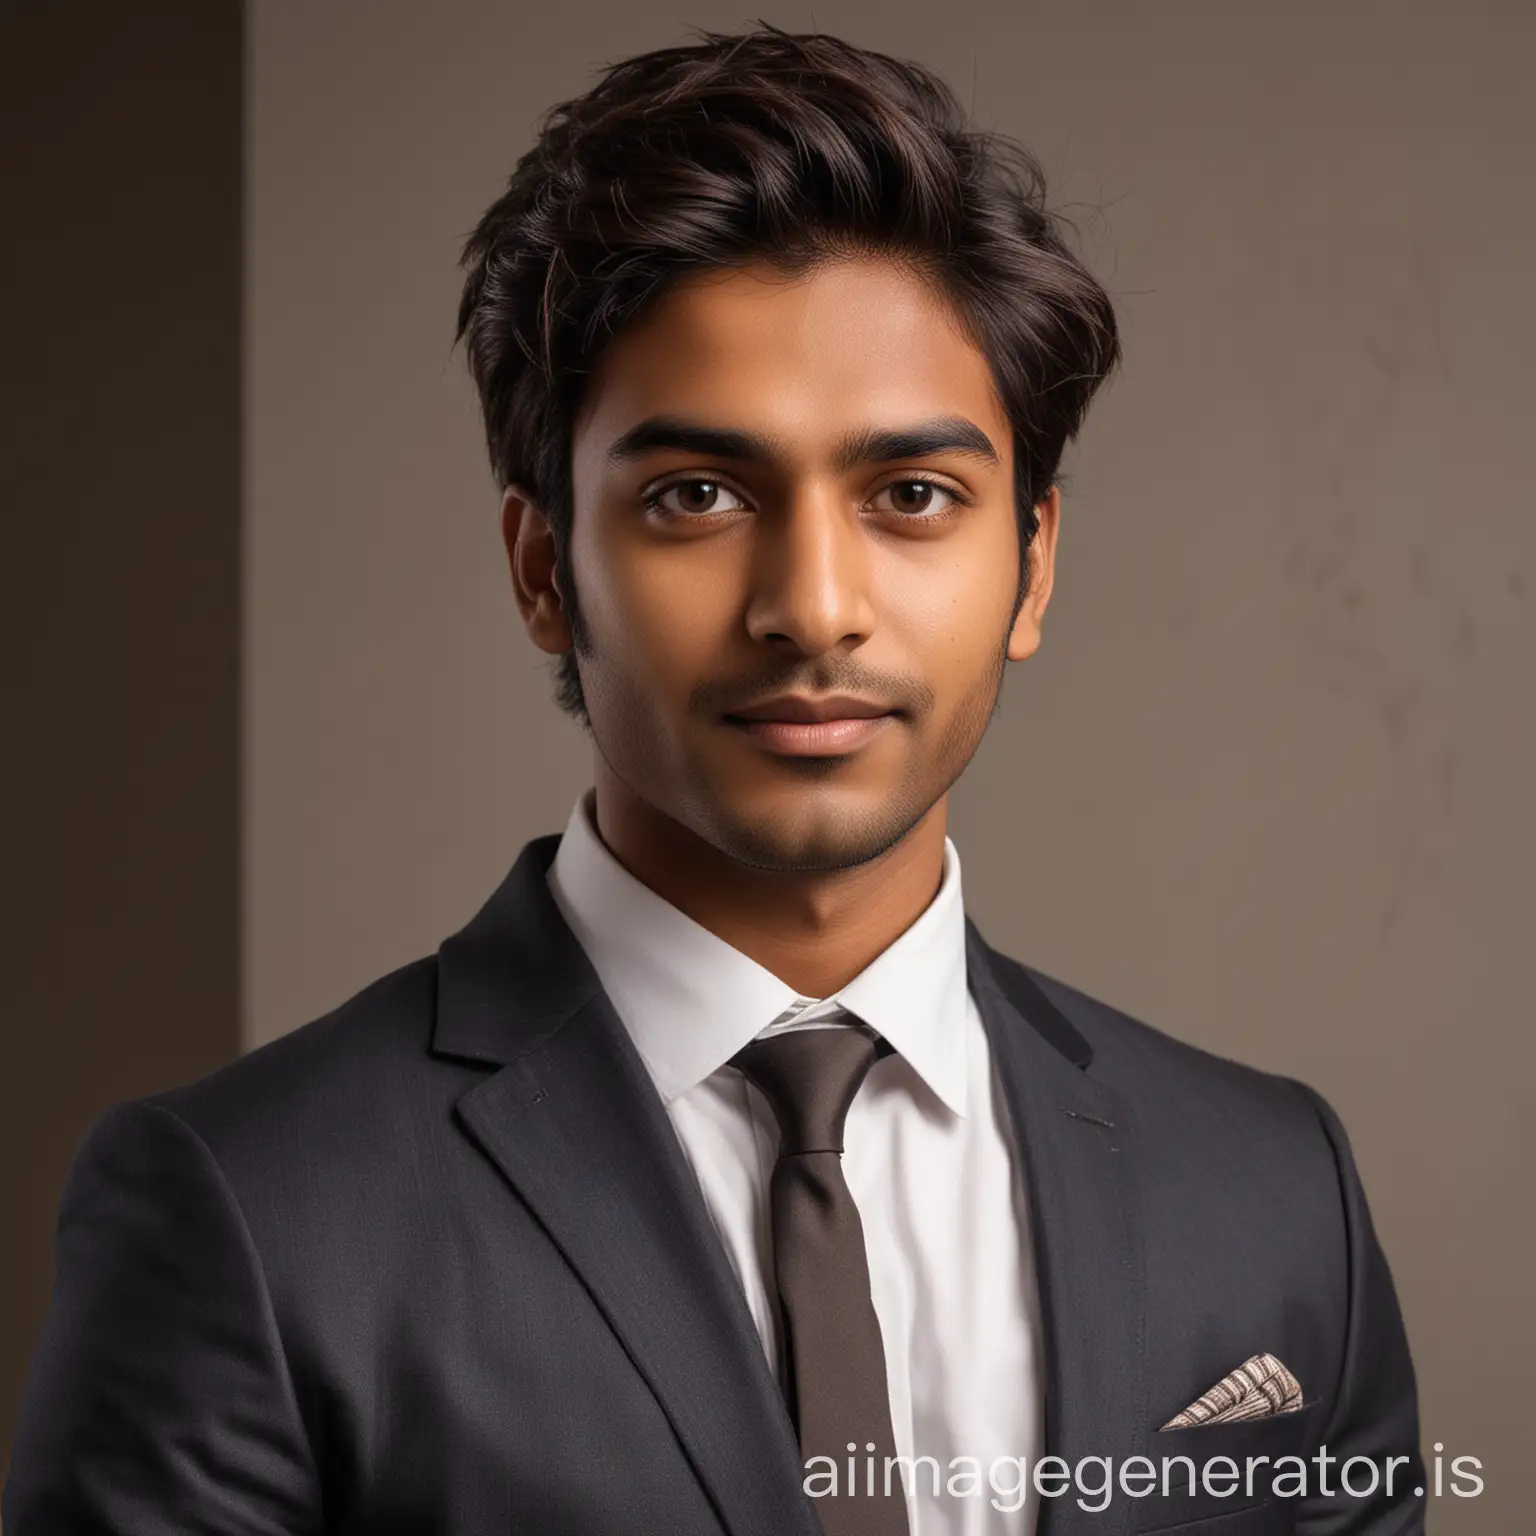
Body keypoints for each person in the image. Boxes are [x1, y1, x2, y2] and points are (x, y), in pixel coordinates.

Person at [5, 25, 1422, 1536]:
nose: (814, 604)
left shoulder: (1274, 1199)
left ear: (1033, 563)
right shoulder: (249, 1209)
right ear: (546, 571)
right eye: (697, 495)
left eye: (914, 497)